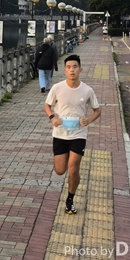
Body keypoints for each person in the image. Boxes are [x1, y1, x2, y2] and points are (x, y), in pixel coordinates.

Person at [44, 54, 101, 214]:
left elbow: (97, 110)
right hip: (60, 134)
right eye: (69, 67)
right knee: (60, 170)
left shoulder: (87, 90)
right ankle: (66, 165)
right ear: (65, 71)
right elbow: (47, 106)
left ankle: (70, 199)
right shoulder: (57, 88)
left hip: (78, 134)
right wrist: (52, 117)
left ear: (80, 70)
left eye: (75, 67)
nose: (72, 70)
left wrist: (88, 120)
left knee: (73, 167)